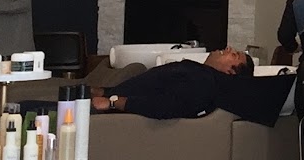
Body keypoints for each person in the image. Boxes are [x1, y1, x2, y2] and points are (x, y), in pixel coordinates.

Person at [89, 46, 256, 118]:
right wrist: (105, 92)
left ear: (230, 72)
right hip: (108, 102)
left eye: (234, 55)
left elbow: (166, 106)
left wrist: (113, 102)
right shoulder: (199, 72)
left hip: (115, 118)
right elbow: (147, 88)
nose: (228, 48)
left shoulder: (204, 81)